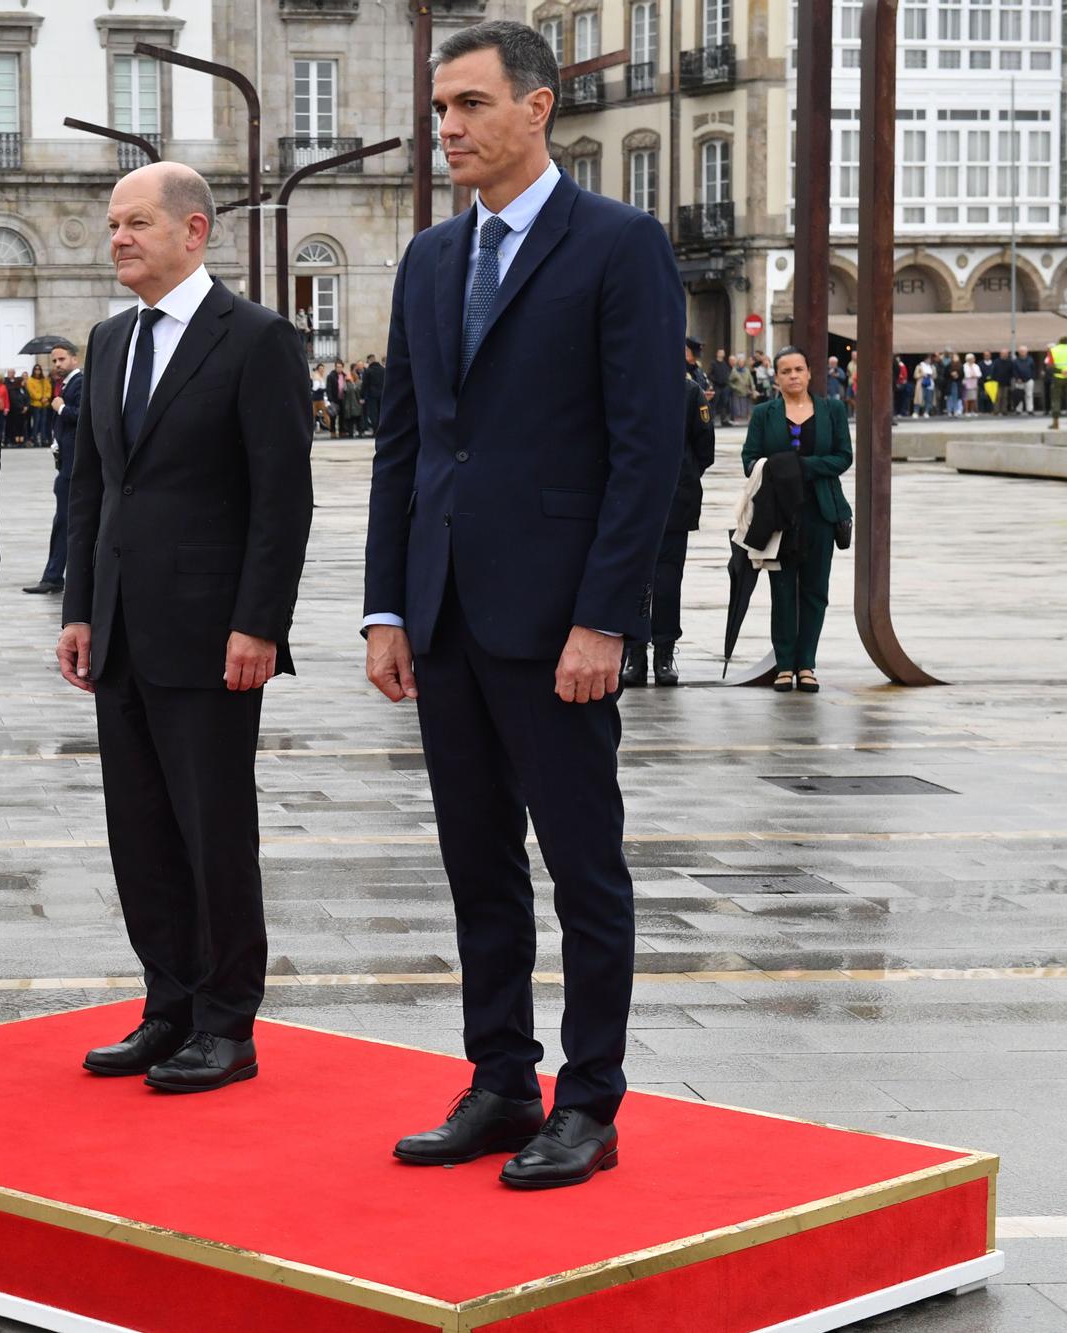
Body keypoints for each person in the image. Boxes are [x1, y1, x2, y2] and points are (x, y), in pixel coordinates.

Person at [364, 20, 682, 1188]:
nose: (445, 128)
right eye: (439, 108)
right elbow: (405, 447)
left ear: (536, 108)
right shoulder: (429, 260)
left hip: (557, 629)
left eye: (467, 105)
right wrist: (384, 608)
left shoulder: (617, 245)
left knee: (583, 865)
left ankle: (587, 1103)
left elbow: (646, 451)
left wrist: (604, 618)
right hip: (442, 617)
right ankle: (500, 1079)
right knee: (475, 865)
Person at [59, 161, 313, 1094]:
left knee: (212, 831)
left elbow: (282, 501)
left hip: (213, 638)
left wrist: (260, 624)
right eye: (112, 224)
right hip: (122, 629)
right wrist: (80, 606)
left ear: (195, 230)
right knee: (141, 831)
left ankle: (226, 1022)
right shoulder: (109, 339)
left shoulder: (256, 340)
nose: (118, 238)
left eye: (135, 223)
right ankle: (165, 1005)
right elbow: (91, 492)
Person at [742, 346, 851, 695]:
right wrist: (779, 472)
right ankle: (784, 666)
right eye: (786, 371)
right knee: (783, 590)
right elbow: (749, 460)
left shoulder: (832, 410)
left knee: (815, 590)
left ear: (808, 373)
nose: (793, 376)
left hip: (821, 511)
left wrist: (801, 467)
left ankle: (807, 665)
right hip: (778, 515)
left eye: (799, 369)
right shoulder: (764, 413)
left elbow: (843, 457)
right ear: (776, 378)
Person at [622, 347, 714, 688]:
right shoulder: (629, 386)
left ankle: (664, 653)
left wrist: (683, 476)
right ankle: (634, 654)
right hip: (632, 501)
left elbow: (705, 448)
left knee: (667, 582)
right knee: (632, 579)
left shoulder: (689, 392)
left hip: (675, 501)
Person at [24, 342, 82, 596]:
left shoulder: (79, 383)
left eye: (61, 359)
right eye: (54, 360)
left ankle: (54, 576)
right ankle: (56, 575)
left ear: (74, 359)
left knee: (65, 521)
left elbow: (84, 417)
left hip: (73, 466)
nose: (57, 364)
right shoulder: (66, 384)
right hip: (66, 462)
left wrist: (61, 408)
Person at [25, 362, 52, 443]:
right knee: (36, 422)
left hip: (44, 404)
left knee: (44, 422)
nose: (37, 371)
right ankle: (35, 439)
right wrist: (40, 398)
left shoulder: (44, 380)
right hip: (36, 404)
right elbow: (31, 392)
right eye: (36, 369)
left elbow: (49, 389)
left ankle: (43, 439)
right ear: (33, 370)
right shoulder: (30, 380)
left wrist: (46, 397)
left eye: (39, 369)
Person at [361, 353, 386, 431]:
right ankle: (382, 429)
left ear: (369, 361)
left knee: (373, 414)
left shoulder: (368, 371)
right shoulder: (383, 370)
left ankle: (376, 430)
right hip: (382, 395)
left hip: (371, 396)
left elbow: (364, 384)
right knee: (381, 413)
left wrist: (362, 396)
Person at [708, 347, 733, 425]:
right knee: (714, 403)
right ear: (717, 354)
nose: (722, 354)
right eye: (720, 352)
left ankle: (724, 420)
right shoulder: (713, 363)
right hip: (716, 386)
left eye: (723, 352)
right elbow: (710, 374)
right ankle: (711, 420)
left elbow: (727, 373)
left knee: (724, 404)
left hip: (724, 386)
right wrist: (716, 380)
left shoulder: (725, 364)